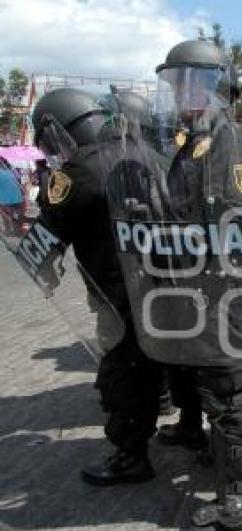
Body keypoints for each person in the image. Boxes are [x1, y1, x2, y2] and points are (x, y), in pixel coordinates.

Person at [109, 39, 242, 531]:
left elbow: (229, 229)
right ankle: (232, 485)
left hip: (223, 295)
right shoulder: (192, 143)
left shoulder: (229, 145)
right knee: (214, 393)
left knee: (227, 396)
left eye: (186, 83)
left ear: (215, 87)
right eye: (173, 84)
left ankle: (239, 501)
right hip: (199, 291)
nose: (177, 93)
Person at [23, 88, 167, 486]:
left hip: (115, 292)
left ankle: (130, 456)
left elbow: (46, 237)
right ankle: (161, 413)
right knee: (150, 364)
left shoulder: (79, 170)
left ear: (62, 127)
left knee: (120, 374)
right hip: (161, 286)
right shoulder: (149, 155)